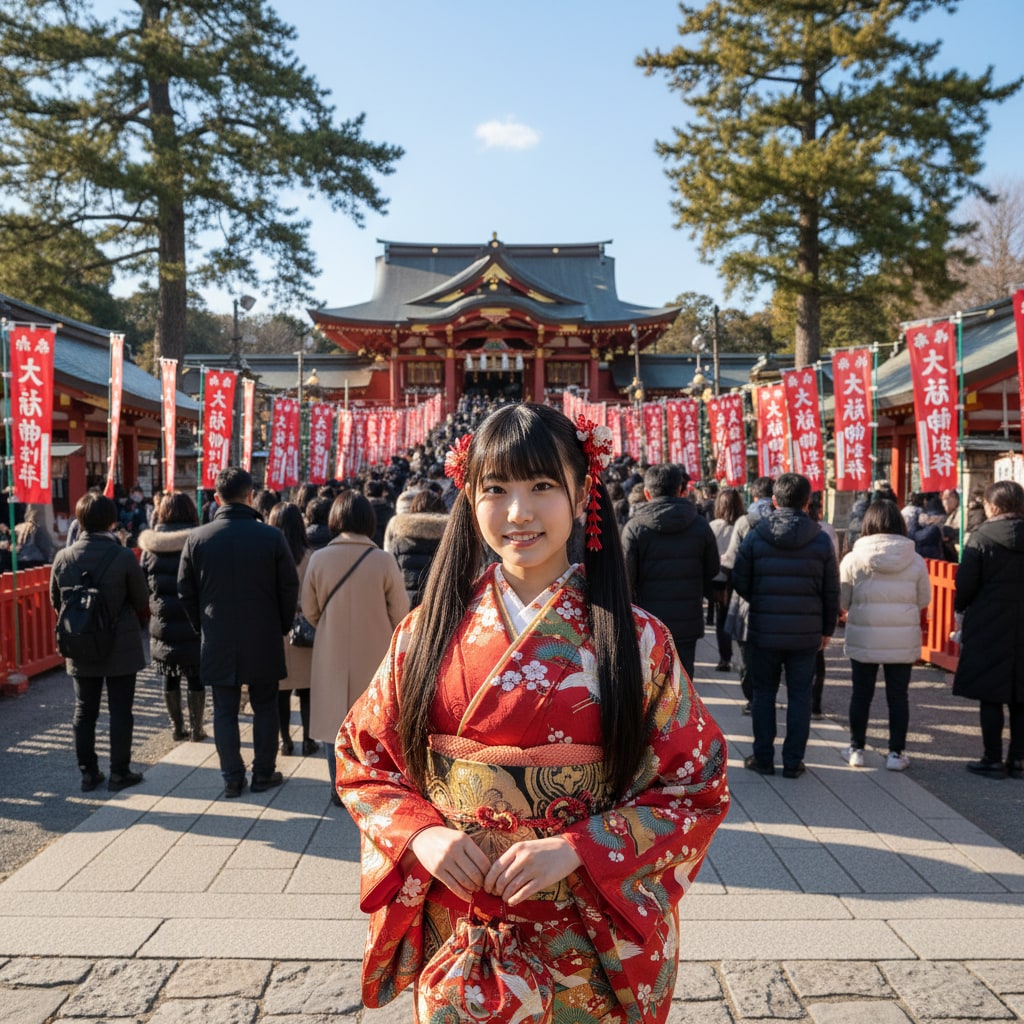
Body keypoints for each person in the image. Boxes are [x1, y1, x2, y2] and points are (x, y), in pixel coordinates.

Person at [335, 404, 729, 1022]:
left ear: (581, 495)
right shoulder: (424, 633)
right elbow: (364, 759)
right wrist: (423, 834)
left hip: (583, 927)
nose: (518, 512)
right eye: (495, 489)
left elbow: (696, 784)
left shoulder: (639, 640)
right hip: (460, 918)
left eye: (542, 486)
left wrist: (582, 846)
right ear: (469, 500)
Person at [178, 467, 299, 799]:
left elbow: (184, 591)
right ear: (251, 496)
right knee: (264, 704)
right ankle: (263, 772)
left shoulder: (197, 538)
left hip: (217, 633)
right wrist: (282, 625)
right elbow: (289, 587)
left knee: (225, 708)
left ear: (217, 499)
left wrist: (202, 625)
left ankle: (232, 776)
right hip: (263, 632)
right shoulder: (271, 537)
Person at [732, 472, 840, 778]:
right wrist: (827, 630)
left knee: (764, 692)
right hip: (806, 633)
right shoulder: (820, 539)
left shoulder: (757, 534)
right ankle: (793, 761)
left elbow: (739, 580)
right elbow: (831, 589)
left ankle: (763, 757)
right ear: (807, 503)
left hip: (764, 627)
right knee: (800, 695)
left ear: (775, 501)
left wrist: (761, 599)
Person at [303, 490, 408, 802]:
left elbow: (309, 609)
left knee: (332, 721)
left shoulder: (318, 558)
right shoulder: (384, 560)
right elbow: (401, 612)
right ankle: (368, 783)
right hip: (375, 651)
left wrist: (329, 622)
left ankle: (338, 785)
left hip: (330, 649)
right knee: (372, 721)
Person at [49, 492, 149, 792]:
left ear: (78, 521)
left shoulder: (63, 558)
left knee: (84, 709)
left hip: (81, 643)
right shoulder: (122, 555)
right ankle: (119, 772)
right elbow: (142, 599)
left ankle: (88, 773)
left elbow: (57, 602)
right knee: (121, 710)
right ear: (111, 520)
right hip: (120, 643)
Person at [839, 500, 931, 771]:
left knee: (861, 694)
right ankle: (896, 753)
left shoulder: (853, 558)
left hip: (863, 635)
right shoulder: (915, 560)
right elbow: (923, 599)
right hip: (901, 637)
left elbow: (844, 601)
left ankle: (856, 749)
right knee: (898, 696)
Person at [952, 480, 1024, 778]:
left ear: (993, 506)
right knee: (1021, 697)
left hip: (989, 623)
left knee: (990, 695)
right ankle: (1019, 761)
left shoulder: (981, 537)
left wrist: (961, 609)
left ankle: (992, 759)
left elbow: (965, 585)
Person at [621, 463, 719, 681]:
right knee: (683, 682)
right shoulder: (700, 525)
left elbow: (626, 577)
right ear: (680, 490)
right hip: (688, 617)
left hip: (647, 619)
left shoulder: (634, 528)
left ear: (647, 493)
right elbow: (712, 569)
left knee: (649, 681)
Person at [138, 492, 205, 742]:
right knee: (196, 675)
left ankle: (177, 727)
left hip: (163, 621)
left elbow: (144, 584)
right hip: (192, 620)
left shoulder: (150, 548)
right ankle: (197, 728)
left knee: (170, 674)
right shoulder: (198, 543)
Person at [268, 502, 318, 758]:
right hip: (305, 627)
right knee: (308, 689)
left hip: (276, 626)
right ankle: (308, 739)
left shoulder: (267, 553)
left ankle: (284, 740)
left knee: (281, 689)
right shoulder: (310, 556)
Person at [721, 475, 775, 713]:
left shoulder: (745, 521)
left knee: (748, 655)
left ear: (753, 495)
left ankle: (753, 699)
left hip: (747, 600)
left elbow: (732, 560)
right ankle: (768, 696)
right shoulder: (782, 517)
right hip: (778, 599)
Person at [383, 488, 449, 608]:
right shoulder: (451, 539)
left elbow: (390, 580)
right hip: (443, 608)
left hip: (407, 607)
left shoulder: (399, 542)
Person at [808, 492, 840, 718]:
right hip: (818, 599)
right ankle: (815, 703)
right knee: (817, 656)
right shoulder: (826, 532)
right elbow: (835, 566)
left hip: (788, 604)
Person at [709, 487, 745, 672]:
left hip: (718, 578)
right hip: (738, 577)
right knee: (739, 616)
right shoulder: (743, 524)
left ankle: (724, 658)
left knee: (721, 618)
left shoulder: (713, 526)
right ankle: (741, 656)